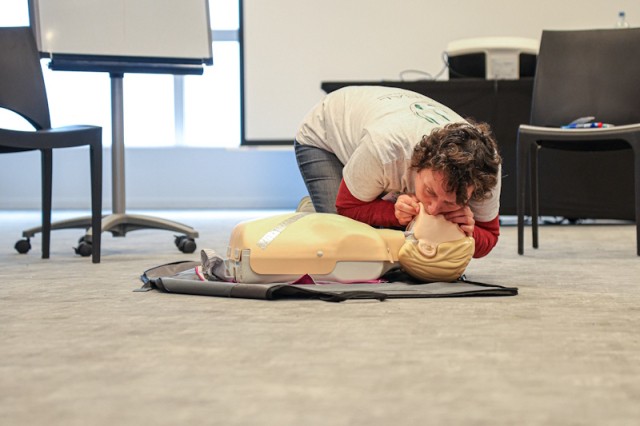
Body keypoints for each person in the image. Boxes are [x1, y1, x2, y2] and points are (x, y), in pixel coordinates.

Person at [294, 85, 502, 258]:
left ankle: (352, 191)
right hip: (326, 133)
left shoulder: (485, 168)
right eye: (430, 191)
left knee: (413, 241)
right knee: (345, 245)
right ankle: (313, 211)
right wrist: (395, 213)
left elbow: (489, 236)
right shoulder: (386, 149)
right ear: (419, 164)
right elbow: (347, 207)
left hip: (376, 152)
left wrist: (469, 232)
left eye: (449, 203)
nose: (433, 209)